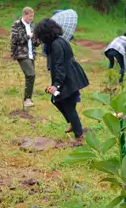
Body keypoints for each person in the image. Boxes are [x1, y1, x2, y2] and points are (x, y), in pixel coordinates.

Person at [36, 17, 90, 145]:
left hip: (68, 78)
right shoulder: (60, 41)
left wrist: (56, 85)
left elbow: (60, 66)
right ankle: (74, 123)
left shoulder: (56, 45)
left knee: (67, 105)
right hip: (70, 75)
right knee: (57, 100)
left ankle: (79, 135)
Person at [10, 6, 37, 108]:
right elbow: (15, 39)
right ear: (24, 15)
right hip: (21, 54)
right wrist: (29, 36)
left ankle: (27, 99)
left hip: (31, 54)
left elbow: (35, 43)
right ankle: (27, 99)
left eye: (33, 16)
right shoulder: (16, 25)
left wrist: (38, 39)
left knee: (30, 76)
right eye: (30, 16)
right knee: (31, 75)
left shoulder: (32, 26)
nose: (32, 18)